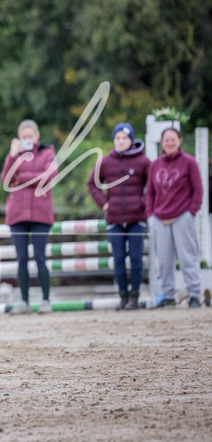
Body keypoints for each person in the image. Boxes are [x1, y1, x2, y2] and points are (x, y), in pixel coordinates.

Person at [87, 123, 150, 310]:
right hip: (114, 219)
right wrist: (104, 204)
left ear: (131, 140)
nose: (121, 141)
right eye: (117, 138)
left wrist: (143, 203)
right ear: (114, 140)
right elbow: (92, 184)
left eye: (124, 138)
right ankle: (123, 296)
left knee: (136, 259)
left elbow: (151, 187)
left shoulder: (143, 162)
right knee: (119, 259)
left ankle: (135, 297)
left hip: (136, 218)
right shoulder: (105, 162)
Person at [2, 119, 59, 314]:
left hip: (40, 214)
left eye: (30, 136)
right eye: (23, 137)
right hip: (17, 214)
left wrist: (22, 178)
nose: (27, 140)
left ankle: (45, 300)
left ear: (37, 135)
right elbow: (7, 180)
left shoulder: (48, 152)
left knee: (40, 257)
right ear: (19, 138)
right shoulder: (15, 156)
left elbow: (49, 177)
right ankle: (24, 302)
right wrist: (11, 155)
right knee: (22, 259)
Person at [146, 127, 204, 308]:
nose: (169, 143)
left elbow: (198, 189)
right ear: (162, 143)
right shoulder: (155, 165)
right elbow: (150, 192)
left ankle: (194, 293)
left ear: (179, 141)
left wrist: (191, 212)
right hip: (160, 218)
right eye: (166, 140)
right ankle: (169, 295)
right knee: (164, 260)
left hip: (182, 216)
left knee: (188, 258)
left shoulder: (189, 162)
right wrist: (150, 215)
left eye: (173, 139)